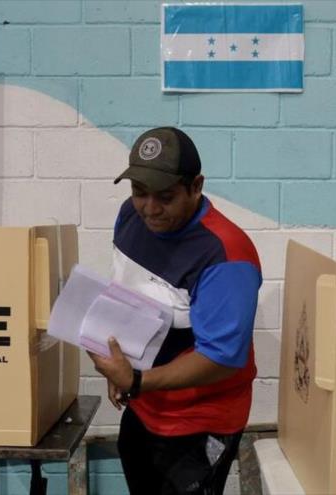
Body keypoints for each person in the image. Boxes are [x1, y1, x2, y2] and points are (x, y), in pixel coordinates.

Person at [89, 127, 261, 494]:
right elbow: (129, 292)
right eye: (139, 193)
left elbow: (221, 358)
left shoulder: (225, 255)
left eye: (165, 197)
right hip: (144, 406)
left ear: (196, 186)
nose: (150, 208)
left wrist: (135, 380)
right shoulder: (130, 217)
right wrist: (121, 363)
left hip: (198, 422)